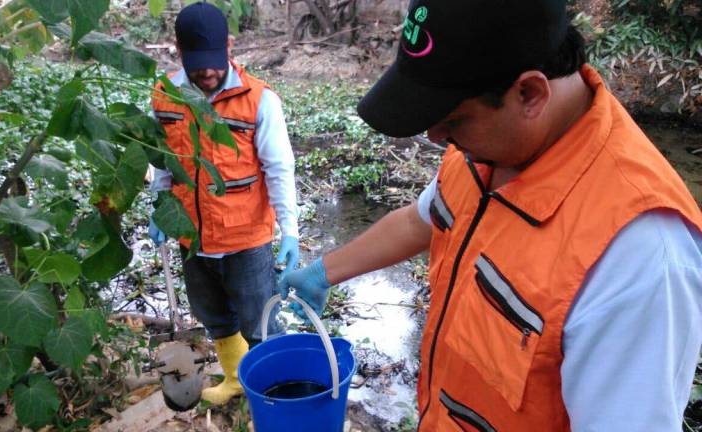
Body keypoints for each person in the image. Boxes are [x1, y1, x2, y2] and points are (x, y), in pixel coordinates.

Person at [279, 0, 702, 430]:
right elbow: (421, 220)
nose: (435, 136)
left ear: (530, 93)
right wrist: (323, 272)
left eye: (453, 120)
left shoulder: (641, 255)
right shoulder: (485, 150)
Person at [149, 2, 299, 406]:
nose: (208, 73)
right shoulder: (164, 96)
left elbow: (280, 168)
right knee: (214, 317)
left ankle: (275, 396)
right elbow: (162, 160)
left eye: (214, 62)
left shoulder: (259, 99)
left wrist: (291, 231)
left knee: (261, 324)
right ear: (178, 52)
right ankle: (235, 380)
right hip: (192, 237)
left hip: (246, 240)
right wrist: (160, 205)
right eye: (197, 64)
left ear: (229, 47)